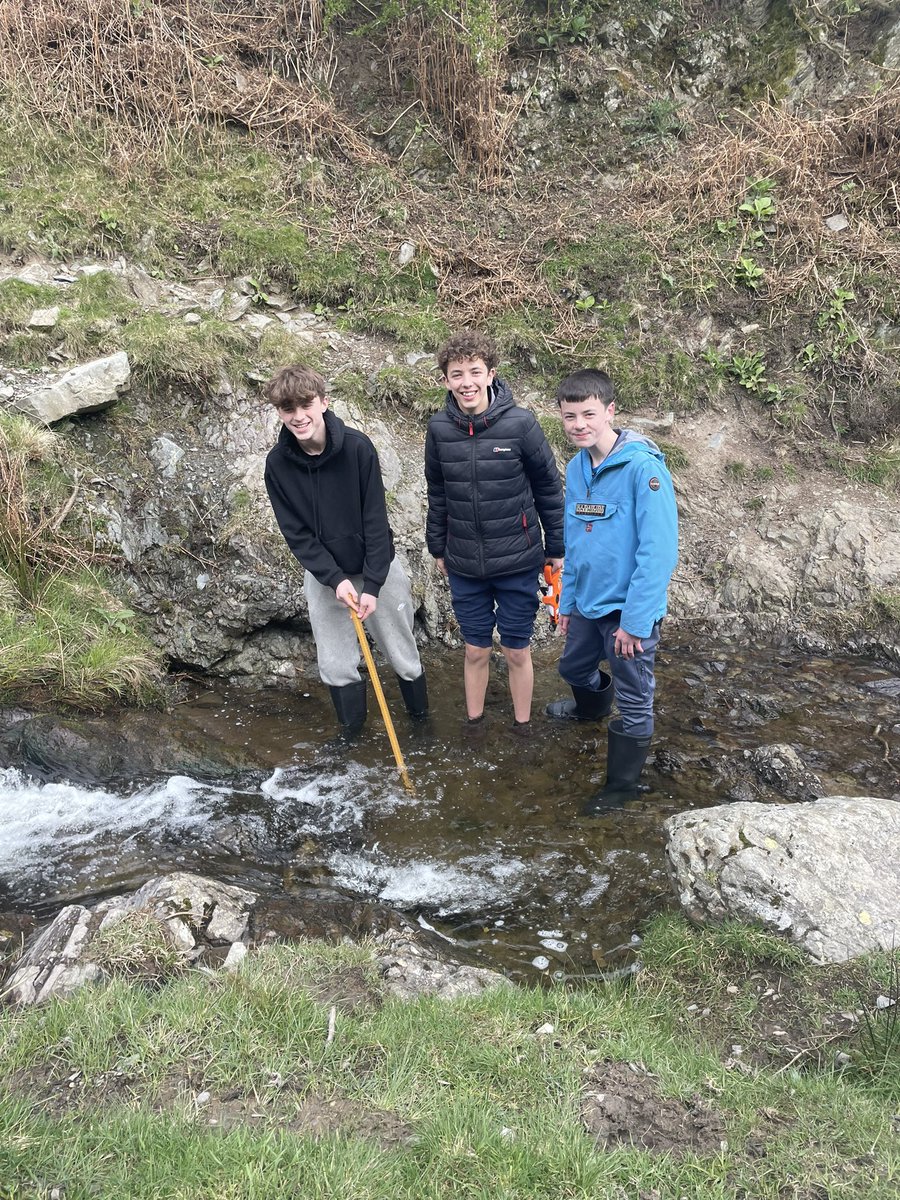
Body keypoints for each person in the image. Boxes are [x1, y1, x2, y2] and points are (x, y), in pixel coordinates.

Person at [263, 363, 427, 738]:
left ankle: (421, 726)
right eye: (288, 409)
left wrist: (372, 584)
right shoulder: (276, 466)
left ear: (324, 402)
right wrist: (335, 580)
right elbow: (297, 534)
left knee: (401, 653)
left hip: (377, 567)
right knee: (336, 663)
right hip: (325, 576)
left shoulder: (357, 447)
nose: (299, 416)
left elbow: (375, 520)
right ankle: (353, 737)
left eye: (306, 405)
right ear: (279, 413)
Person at [547, 368, 678, 811]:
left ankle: (622, 788)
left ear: (609, 411)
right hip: (585, 602)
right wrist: (567, 601)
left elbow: (657, 553)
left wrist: (636, 624)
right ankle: (590, 709)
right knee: (571, 669)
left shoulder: (644, 469)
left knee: (635, 699)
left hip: (627, 612)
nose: (579, 425)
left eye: (588, 414)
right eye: (569, 417)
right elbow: (576, 541)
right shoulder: (576, 466)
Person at [424, 330, 564, 731]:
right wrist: (438, 547)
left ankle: (522, 725)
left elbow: (548, 489)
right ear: (446, 380)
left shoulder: (521, 424)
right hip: (464, 562)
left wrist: (555, 546)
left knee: (517, 650)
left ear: (491, 375)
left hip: (519, 560)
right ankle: (475, 723)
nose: (466, 382)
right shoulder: (439, 430)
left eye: (474, 371)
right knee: (474, 649)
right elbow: (438, 492)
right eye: (456, 374)